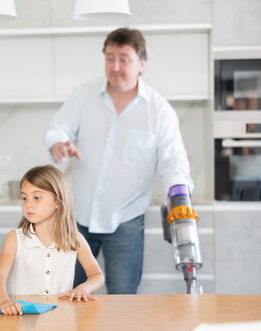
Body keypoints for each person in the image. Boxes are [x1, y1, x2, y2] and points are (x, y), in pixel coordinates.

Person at [44, 27, 193, 294]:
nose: (115, 66)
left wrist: (179, 195)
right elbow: (58, 128)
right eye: (109, 58)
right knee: (65, 293)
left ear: (141, 64)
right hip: (78, 219)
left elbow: (174, 164)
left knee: (123, 300)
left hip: (126, 221)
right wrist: (57, 142)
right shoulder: (83, 95)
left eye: (124, 59)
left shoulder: (159, 111)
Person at [0, 165, 104, 315]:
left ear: (57, 201)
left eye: (36, 197)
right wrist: (3, 301)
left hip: (60, 317)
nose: (28, 204)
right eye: (24, 198)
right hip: (21, 317)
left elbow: (97, 275)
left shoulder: (75, 239)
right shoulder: (15, 238)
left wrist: (82, 289)